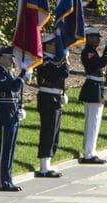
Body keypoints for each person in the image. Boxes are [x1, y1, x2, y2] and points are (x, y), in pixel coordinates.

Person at [0, 47, 26, 192]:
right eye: (9, 57)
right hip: (4, 113)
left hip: (11, 112)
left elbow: (14, 92)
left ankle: (7, 179)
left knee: (10, 149)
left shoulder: (7, 72)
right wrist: (23, 75)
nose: (12, 60)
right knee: (5, 149)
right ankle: (2, 181)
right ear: (1, 57)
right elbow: (13, 87)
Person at [35, 35, 70, 178]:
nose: (57, 47)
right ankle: (44, 167)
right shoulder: (44, 60)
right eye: (54, 44)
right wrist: (64, 60)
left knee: (54, 133)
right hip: (47, 97)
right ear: (47, 45)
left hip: (54, 97)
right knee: (48, 131)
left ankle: (48, 163)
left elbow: (63, 73)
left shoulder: (55, 60)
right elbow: (58, 74)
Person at [79, 28, 107, 164]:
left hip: (96, 87)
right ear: (88, 38)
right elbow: (99, 64)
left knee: (95, 122)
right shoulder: (88, 52)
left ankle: (91, 151)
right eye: (96, 37)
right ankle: (88, 153)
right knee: (92, 123)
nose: (99, 39)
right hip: (92, 88)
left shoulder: (92, 51)